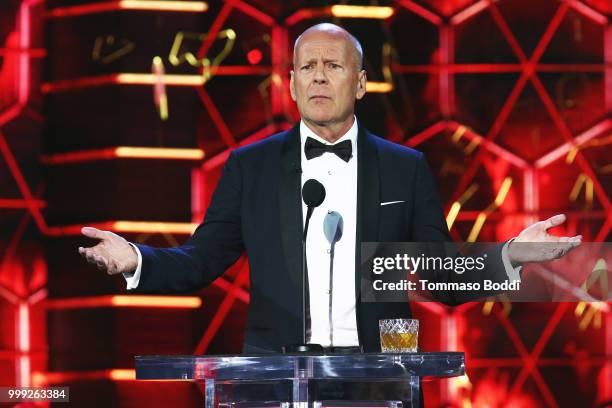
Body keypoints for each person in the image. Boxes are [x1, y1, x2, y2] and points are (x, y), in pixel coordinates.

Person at [78, 23, 581, 354]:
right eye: (307, 68)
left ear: (360, 83)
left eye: (333, 67)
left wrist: (511, 255)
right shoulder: (250, 167)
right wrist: (136, 260)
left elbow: (441, 277)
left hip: (381, 380)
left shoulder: (405, 167)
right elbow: (201, 262)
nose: (319, 78)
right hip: (278, 384)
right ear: (291, 83)